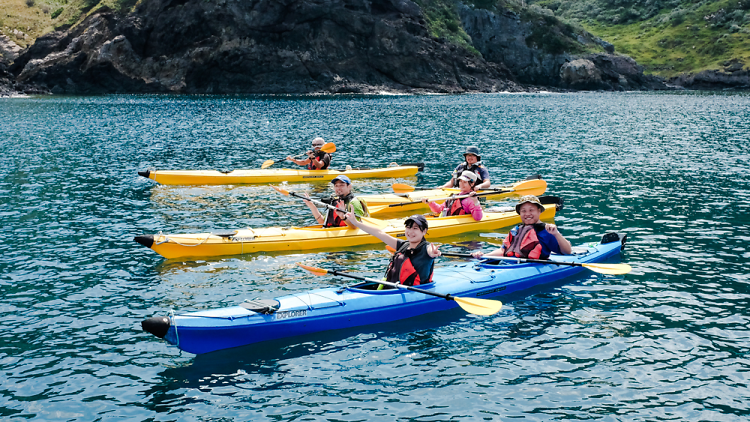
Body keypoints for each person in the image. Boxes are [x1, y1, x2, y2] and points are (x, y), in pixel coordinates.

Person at [345, 212, 440, 286]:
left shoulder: (426, 248)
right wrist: (356, 223)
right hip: (395, 288)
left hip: (415, 291)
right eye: (408, 227)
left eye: (415, 228)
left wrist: (433, 252)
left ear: (424, 231)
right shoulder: (403, 245)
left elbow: (430, 251)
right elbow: (379, 233)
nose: (410, 231)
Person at [472, 195, 572, 260]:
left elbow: (567, 252)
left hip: (532, 268)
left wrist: (556, 234)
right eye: (523, 211)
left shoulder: (546, 230)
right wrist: (484, 255)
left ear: (539, 211)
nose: (527, 214)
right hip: (510, 265)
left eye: (531, 210)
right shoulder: (516, 230)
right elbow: (503, 251)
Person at [303, 175, 369, 228]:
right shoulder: (334, 202)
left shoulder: (354, 203)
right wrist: (311, 205)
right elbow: (322, 221)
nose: (338, 188)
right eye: (336, 186)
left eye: (341, 185)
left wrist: (343, 217)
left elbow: (357, 226)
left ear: (349, 186)